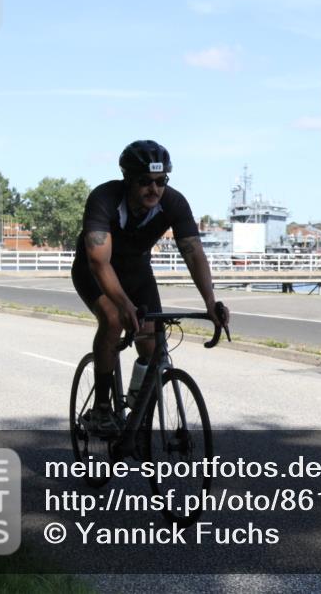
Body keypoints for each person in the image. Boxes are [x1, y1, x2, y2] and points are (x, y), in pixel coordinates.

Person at [71, 140, 228, 435]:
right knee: (114, 319)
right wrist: (124, 305)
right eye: (145, 182)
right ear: (128, 179)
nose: (154, 189)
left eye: (160, 181)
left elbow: (193, 252)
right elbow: (99, 263)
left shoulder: (173, 203)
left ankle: (135, 403)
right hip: (95, 270)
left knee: (152, 342)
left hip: (137, 271)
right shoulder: (104, 198)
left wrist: (210, 302)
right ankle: (102, 409)